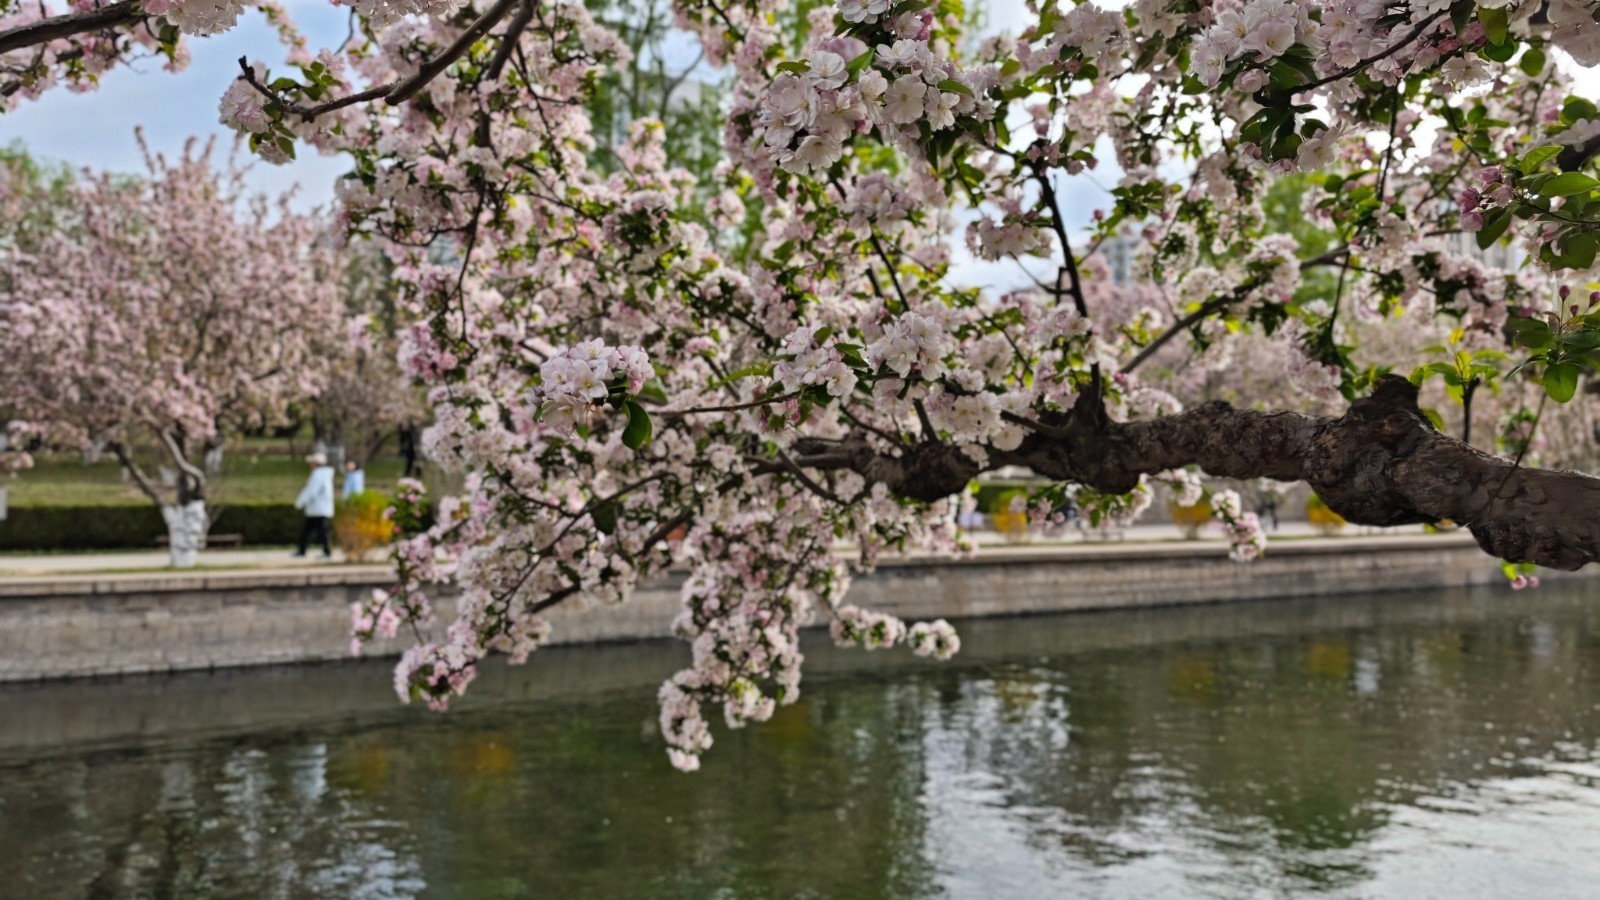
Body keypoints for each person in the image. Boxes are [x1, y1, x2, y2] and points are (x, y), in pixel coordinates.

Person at [294, 452, 335, 558]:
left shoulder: (319, 475)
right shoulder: (320, 474)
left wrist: (301, 502)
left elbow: (311, 491)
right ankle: (302, 550)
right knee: (308, 530)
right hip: (317, 509)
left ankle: (326, 551)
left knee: (321, 532)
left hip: (319, 509)